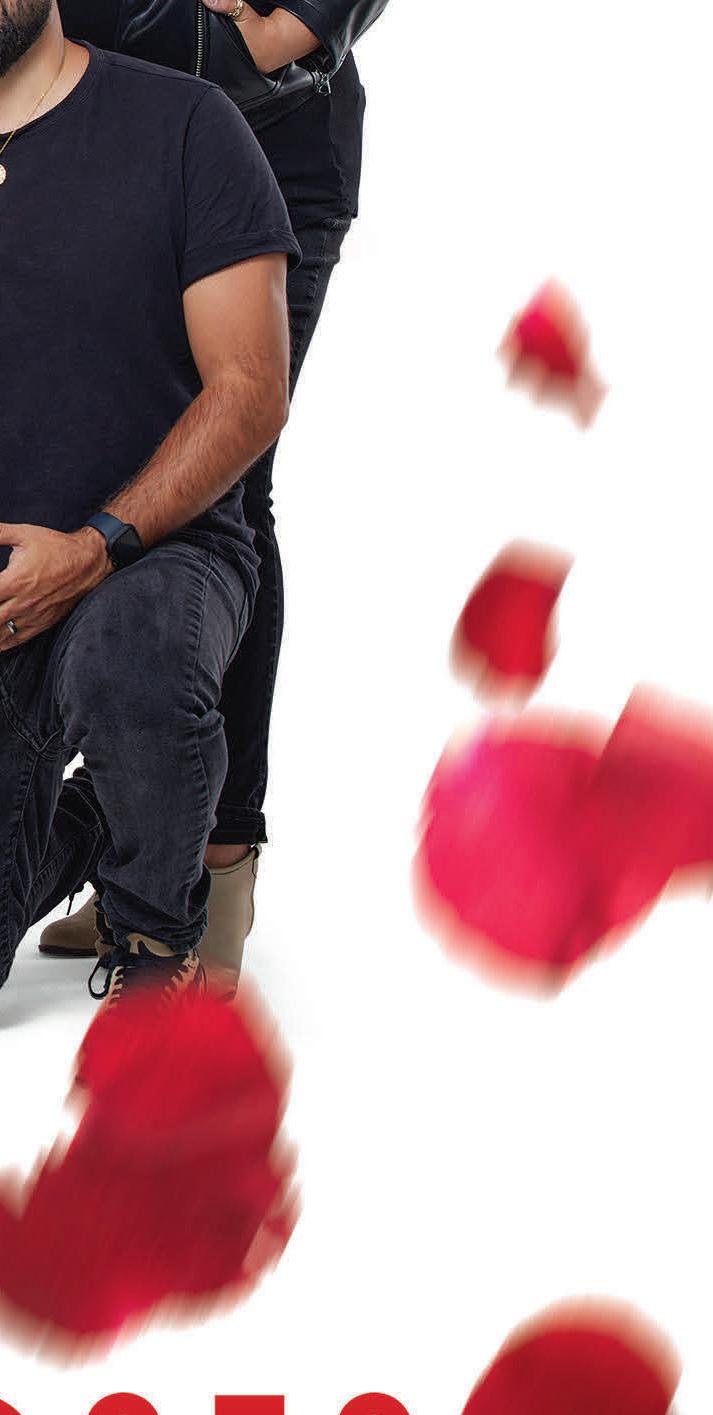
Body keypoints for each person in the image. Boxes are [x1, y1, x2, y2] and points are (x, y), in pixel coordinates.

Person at [40, 0, 387, 994]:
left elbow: (260, 44)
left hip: (271, 160)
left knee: (221, 488)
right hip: (101, 148)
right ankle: (142, 847)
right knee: (102, 473)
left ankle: (218, 863)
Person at [0, 0, 301, 1006]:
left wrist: (94, 547)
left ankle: (154, 933)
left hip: (153, 553)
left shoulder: (183, 125)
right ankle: (99, 820)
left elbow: (249, 388)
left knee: (135, 657)